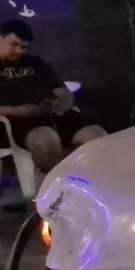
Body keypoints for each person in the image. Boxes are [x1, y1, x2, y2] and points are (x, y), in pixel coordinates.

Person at [0, 20, 107, 181]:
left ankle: (87, 187)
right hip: (16, 121)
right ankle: (53, 193)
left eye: (24, 47)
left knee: (96, 135)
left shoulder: (35, 63)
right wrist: (16, 111)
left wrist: (60, 106)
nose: (19, 50)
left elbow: (64, 93)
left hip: (53, 114)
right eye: (14, 44)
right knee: (46, 140)